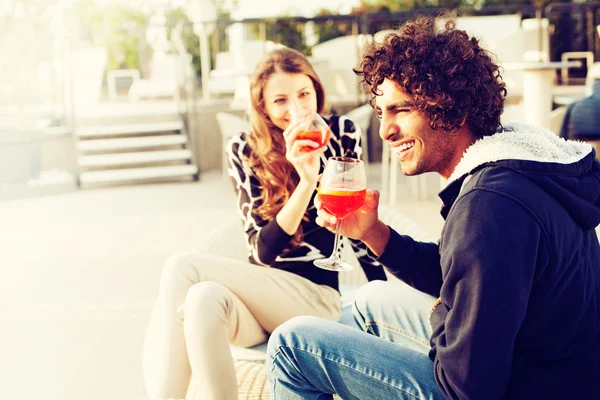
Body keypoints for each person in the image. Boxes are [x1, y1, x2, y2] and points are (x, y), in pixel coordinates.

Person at [266, 16, 600, 400]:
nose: (384, 131)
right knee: (370, 300)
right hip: (557, 370)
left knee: (292, 346)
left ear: (453, 111)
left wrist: (442, 315)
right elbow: (463, 274)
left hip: (519, 386)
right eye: (381, 113)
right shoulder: (519, 166)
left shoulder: (490, 207)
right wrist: (375, 234)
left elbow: (466, 387)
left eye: (401, 110)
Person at [142, 47, 386, 400]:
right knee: (201, 298)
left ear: (317, 91)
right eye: (280, 100)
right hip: (260, 300)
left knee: (181, 267)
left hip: (315, 298)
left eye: (304, 94)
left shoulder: (341, 132)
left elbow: (357, 219)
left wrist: (380, 294)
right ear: (264, 108)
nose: (297, 109)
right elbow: (262, 251)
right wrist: (304, 183)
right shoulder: (244, 148)